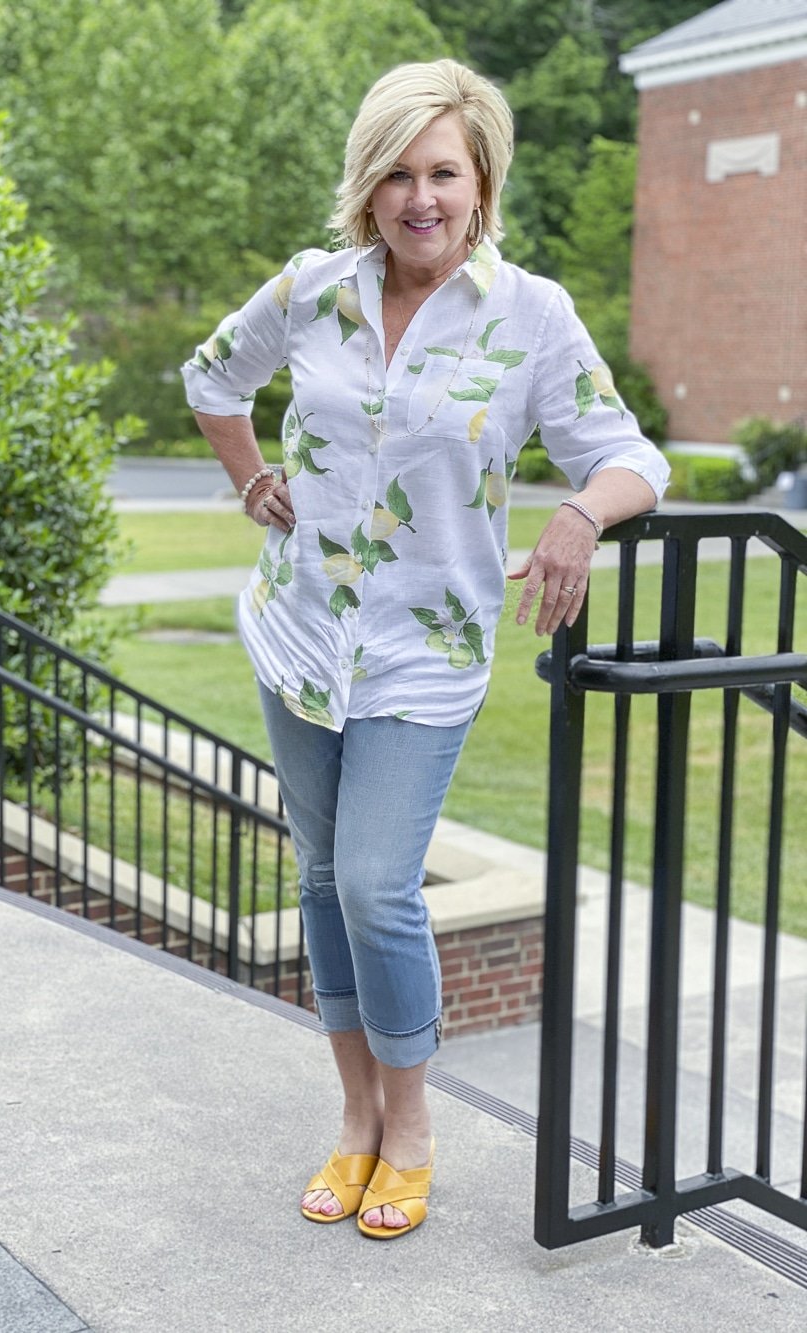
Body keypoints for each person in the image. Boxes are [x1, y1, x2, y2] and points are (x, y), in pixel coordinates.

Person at [181, 58, 668, 1240]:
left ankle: (413, 1124)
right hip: (298, 632)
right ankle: (353, 1119)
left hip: (425, 651)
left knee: (373, 884)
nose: (420, 197)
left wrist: (574, 514)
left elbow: (634, 457)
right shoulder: (312, 288)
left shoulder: (531, 313)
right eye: (397, 172)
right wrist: (252, 479)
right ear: (368, 183)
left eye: (442, 170)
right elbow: (211, 376)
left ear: (480, 178)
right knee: (316, 876)